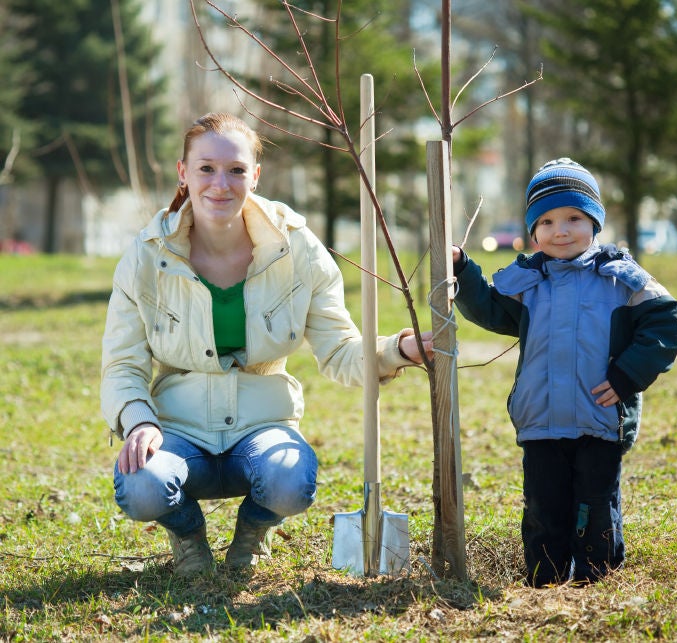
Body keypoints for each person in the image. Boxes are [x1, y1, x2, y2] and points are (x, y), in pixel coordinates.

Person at [100, 112, 432, 576]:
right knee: (141, 485)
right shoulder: (147, 254)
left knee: (289, 479)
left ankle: (253, 532)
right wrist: (138, 422)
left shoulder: (297, 250)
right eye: (206, 168)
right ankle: (188, 537)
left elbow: (340, 352)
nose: (221, 183)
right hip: (178, 429)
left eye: (236, 170)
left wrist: (400, 349)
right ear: (183, 173)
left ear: (255, 176)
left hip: (262, 426)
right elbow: (122, 364)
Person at [452, 158, 677, 587]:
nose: (561, 230)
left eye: (574, 217)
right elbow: (487, 307)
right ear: (533, 232)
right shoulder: (527, 282)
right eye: (548, 221)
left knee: (595, 504)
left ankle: (596, 576)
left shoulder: (620, 277)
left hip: (599, 418)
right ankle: (545, 579)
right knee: (544, 504)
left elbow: (665, 323)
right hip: (540, 420)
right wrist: (462, 269)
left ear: (595, 222)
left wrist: (625, 377)